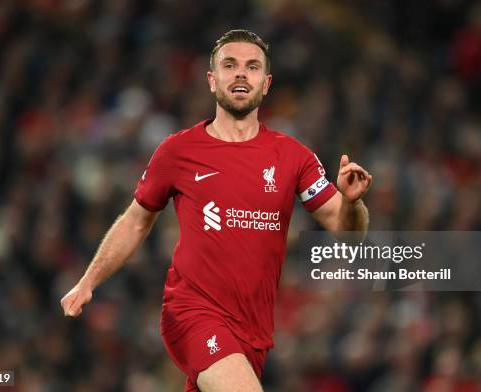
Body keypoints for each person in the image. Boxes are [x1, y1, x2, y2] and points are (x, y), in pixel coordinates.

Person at [60, 29, 372, 392]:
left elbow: (349, 232)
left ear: (266, 83)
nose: (241, 73)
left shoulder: (294, 157)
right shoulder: (178, 151)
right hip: (193, 314)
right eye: (230, 65)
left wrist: (352, 202)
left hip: (253, 330)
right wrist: (88, 282)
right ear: (212, 80)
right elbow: (135, 221)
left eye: (252, 67)